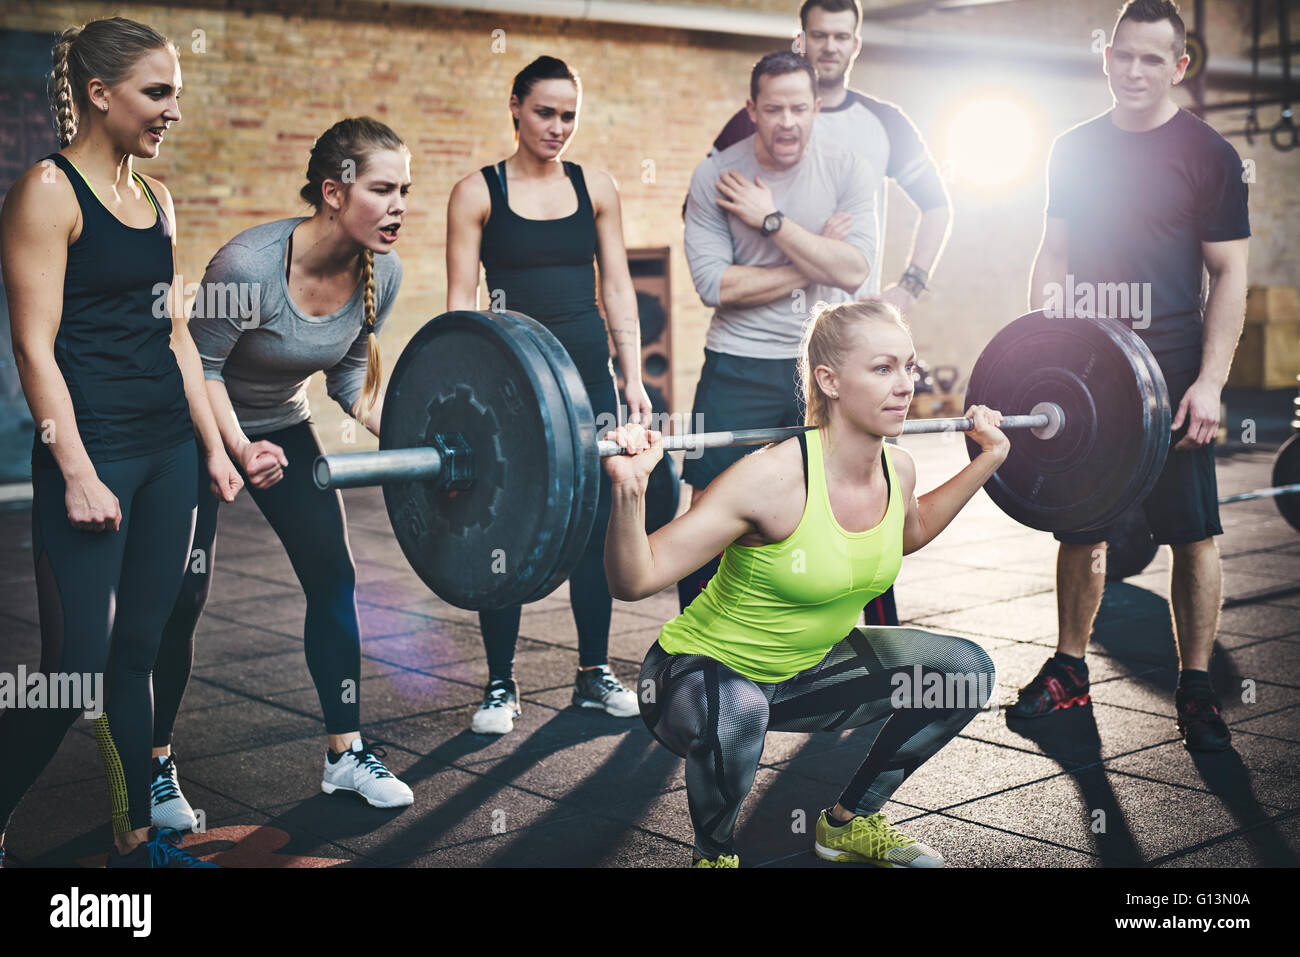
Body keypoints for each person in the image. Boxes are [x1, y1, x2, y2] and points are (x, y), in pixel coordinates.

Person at [604, 300, 1002, 868]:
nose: (906, 385)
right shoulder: (771, 478)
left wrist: (988, 459)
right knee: (738, 714)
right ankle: (713, 855)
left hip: (801, 677)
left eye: (910, 367)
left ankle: (848, 823)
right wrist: (628, 491)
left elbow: (907, 531)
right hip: (697, 677)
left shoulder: (899, 467)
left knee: (965, 673)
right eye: (883, 368)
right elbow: (634, 578)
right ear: (829, 380)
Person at [0, 17, 240, 868]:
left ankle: (136, 843)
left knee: (139, 649)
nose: (174, 109)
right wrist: (74, 470)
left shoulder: (156, 197)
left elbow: (176, 334)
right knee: (74, 668)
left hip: (169, 450)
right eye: (158, 92)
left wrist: (212, 447)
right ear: (100, 95)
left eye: (176, 89)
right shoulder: (48, 192)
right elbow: (34, 345)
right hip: (94, 450)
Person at [150, 117, 415, 823]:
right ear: (334, 192)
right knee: (182, 595)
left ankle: (344, 752)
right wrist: (235, 448)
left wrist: (425, 443)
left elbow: (352, 383)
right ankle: (155, 764)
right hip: (189, 427)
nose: (399, 206)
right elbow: (198, 367)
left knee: (334, 575)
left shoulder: (380, 272)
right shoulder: (249, 265)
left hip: (282, 428)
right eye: (383, 189)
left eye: (405, 191)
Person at [1015, 0, 1250, 753]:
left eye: (1155, 59)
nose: (1137, 71)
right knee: (1081, 523)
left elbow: (1229, 273)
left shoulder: (1208, 154)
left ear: (1180, 66)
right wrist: (1043, 346)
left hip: (1173, 362)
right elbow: (1053, 250)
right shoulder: (1073, 149)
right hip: (1090, 360)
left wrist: (1210, 381)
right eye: (1125, 56)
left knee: (1192, 531)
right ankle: (1069, 667)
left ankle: (1195, 685)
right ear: (1106, 58)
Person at [705, 0, 954, 627]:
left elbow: (937, 208)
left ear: (857, 43)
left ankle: (879, 647)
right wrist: (814, 249)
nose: (830, 47)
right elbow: (721, 230)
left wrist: (908, 287)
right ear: (802, 38)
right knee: (750, 502)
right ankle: (738, 651)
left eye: (842, 36)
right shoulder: (748, 121)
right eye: (819, 35)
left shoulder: (884, 123)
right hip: (757, 343)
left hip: (845, 339)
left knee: (863, 497)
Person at [445, 56, 651, 735]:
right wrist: (460, 395)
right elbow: (459, 307)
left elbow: (617, 286)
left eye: (568, 115)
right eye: (544, 112)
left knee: (594, 525)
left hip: (587, 377)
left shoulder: (597, 188)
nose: (557, 126)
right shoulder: (477, 193)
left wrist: (634, 376)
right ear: (514, 107)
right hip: (510, 385)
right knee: (505, 524)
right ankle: (501, 684)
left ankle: (592, 673)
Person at [677, 49, 879, 615]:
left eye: (798, 108)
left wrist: (772, 222)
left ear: (816, 107)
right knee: (709, 511)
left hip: (824, 366)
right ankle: (691, 662)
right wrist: (814, 252)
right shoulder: (717, 175)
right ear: (752, 110)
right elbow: (714, 285)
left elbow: (855, 271)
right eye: (773, 109)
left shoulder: (847, 168)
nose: (786, 122)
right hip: (736, 362)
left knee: (841, 506)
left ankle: (837, 655)